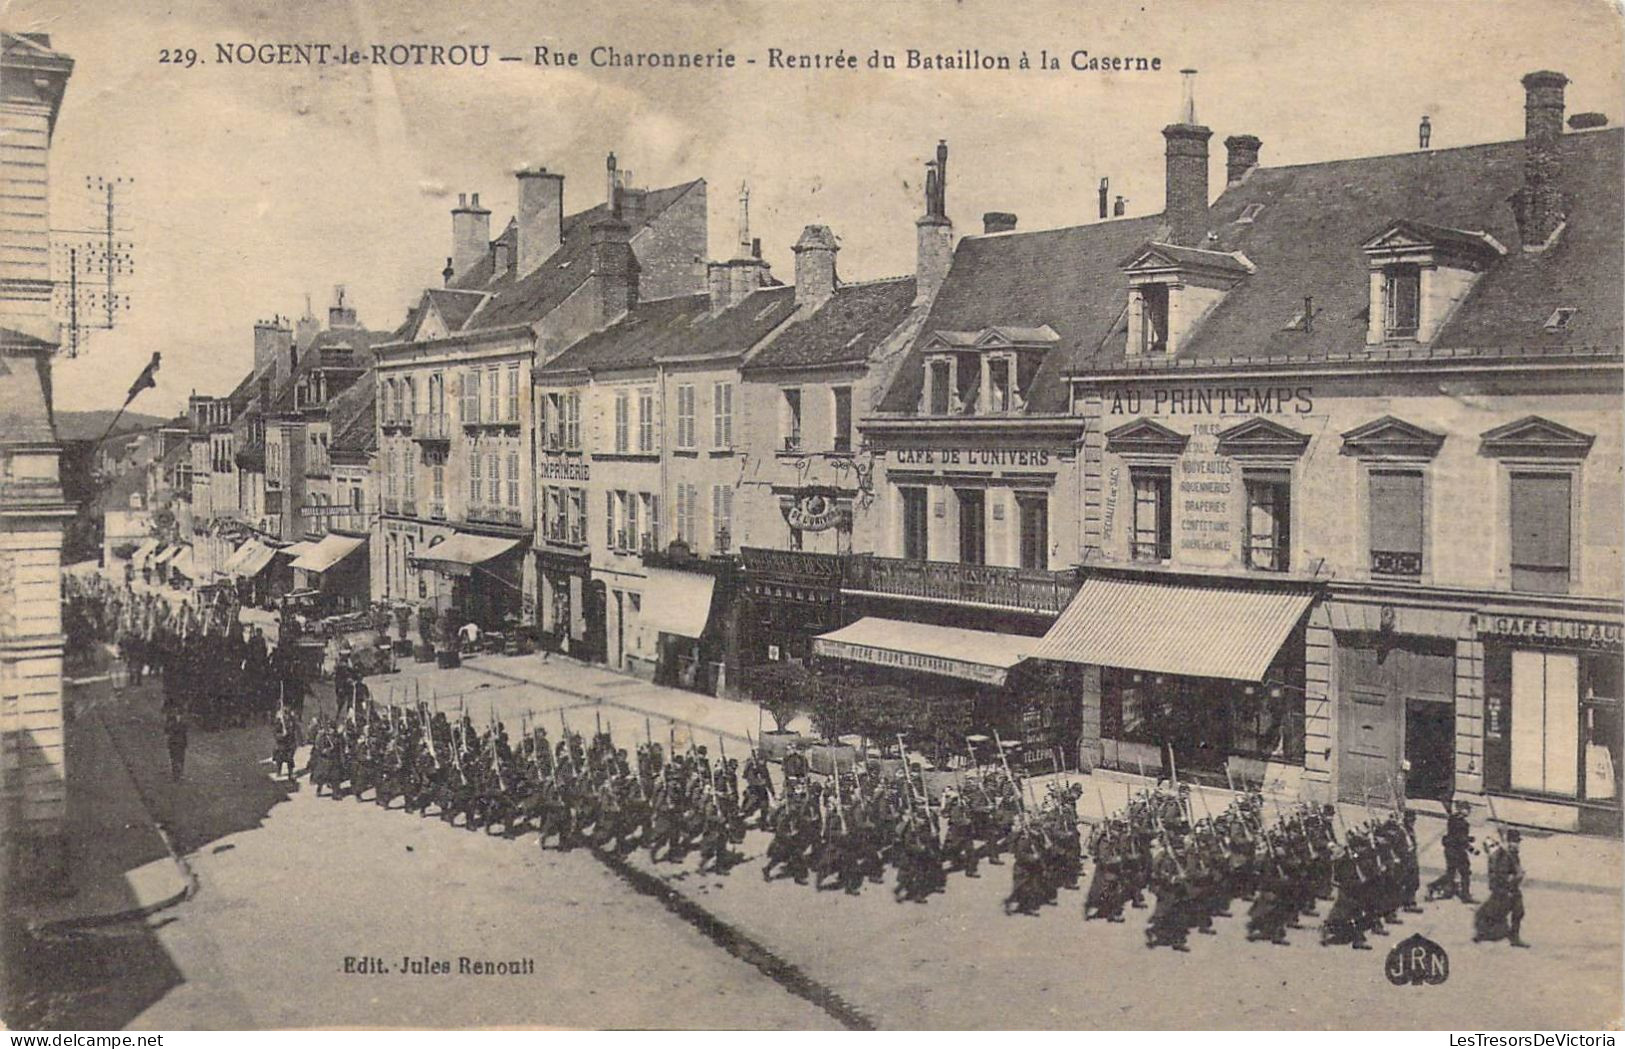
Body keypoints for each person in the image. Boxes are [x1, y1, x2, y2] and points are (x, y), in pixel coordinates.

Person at [1474, 829, 1529, 947]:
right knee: (1496, 912)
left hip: (1512, 889)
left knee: (1518, 912)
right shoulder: (1504, 856)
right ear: (1508, 842)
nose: (1516, 844)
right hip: (1506, 889)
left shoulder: (1512, 854)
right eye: (1514, 842)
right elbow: (1501, 875)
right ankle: (1482, 934)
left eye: (1517, 842)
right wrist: (1515, 877)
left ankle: (1514, 938)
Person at [1427, 800, 1478, 903]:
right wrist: (1470, 841)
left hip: (1452, 849)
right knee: (1464, 872)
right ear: (1460, 809)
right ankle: (1465, 895)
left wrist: (1469, 845)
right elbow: (1459, 838)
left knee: (1452, 872)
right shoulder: (1459, 822)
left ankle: (1439, 887)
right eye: (1466, 809)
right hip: (1456, 850)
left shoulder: (1456, 819)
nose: (1468, 811)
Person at [164, 705, 190, 782]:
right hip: (174, 742)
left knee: (180, 758)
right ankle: (176, 775)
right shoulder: (170, 719)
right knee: (174, 758)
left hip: (180, 742)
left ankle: (179, 774)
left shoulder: (184, 721)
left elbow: (185, 731)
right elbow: (167, 730)